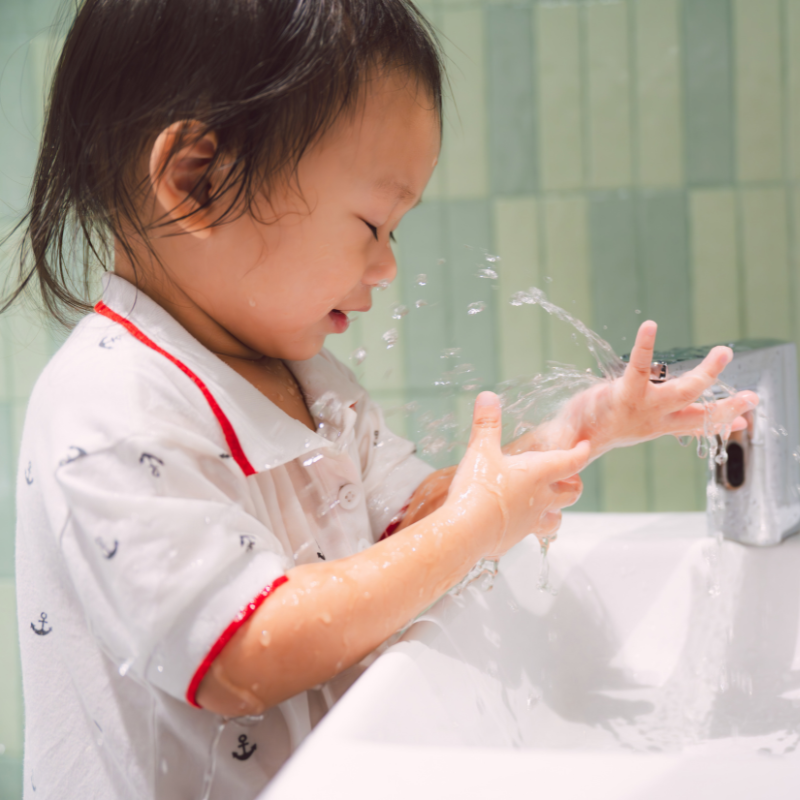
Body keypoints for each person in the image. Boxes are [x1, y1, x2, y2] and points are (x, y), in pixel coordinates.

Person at [5, 1, 757, 797]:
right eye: (371, 224)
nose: (387, 265)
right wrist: (478, 524)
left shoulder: (309, 384)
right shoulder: (109, 404)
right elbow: (246, 651)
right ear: (197, 180)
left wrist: (572, 435)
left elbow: (417, 527)